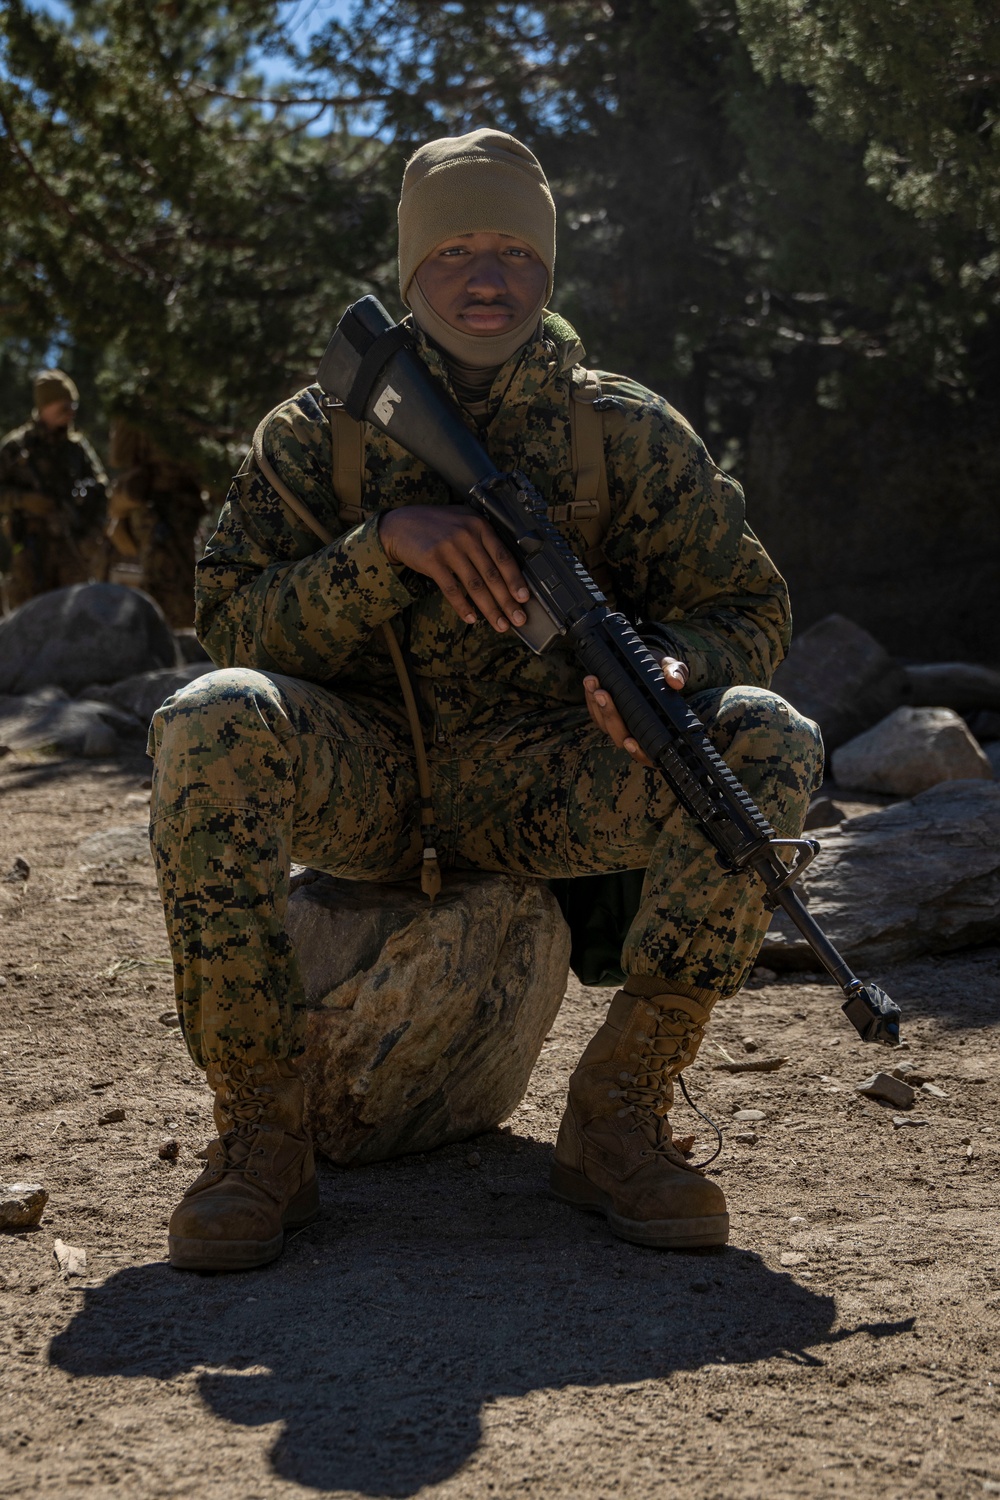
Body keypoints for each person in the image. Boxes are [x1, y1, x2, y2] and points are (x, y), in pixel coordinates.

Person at [149, 129, 823, 1273]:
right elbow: (232, 618)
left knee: (764, 737)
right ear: (411, 269)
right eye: (454, 247)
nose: (484, 275)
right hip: (366, 772)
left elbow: (748, 610)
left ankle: (619, 1112)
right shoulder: (321, 434)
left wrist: (664, 668)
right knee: (210, 712)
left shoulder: (625, 434)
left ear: (547, 267)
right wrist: (384, 550)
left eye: (512, 247)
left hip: (542, 778)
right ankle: (262, 1132)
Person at [0, 369, 108, 609]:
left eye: (73, 405)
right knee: (28, 619)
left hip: (72, 548)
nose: (70, 412)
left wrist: (94, 533)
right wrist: (23, 500)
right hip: (30, 551)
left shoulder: (77, 449)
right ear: (43, 408)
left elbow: (102, 490)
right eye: (63, 406)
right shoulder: (16, 447)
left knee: (75, 617)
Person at [106, 418, 208, 629]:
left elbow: (118, 456)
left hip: (170, 514)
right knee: (166, 590)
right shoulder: (153, 405)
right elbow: (119, 456)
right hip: (158, 513)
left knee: (178, 587)